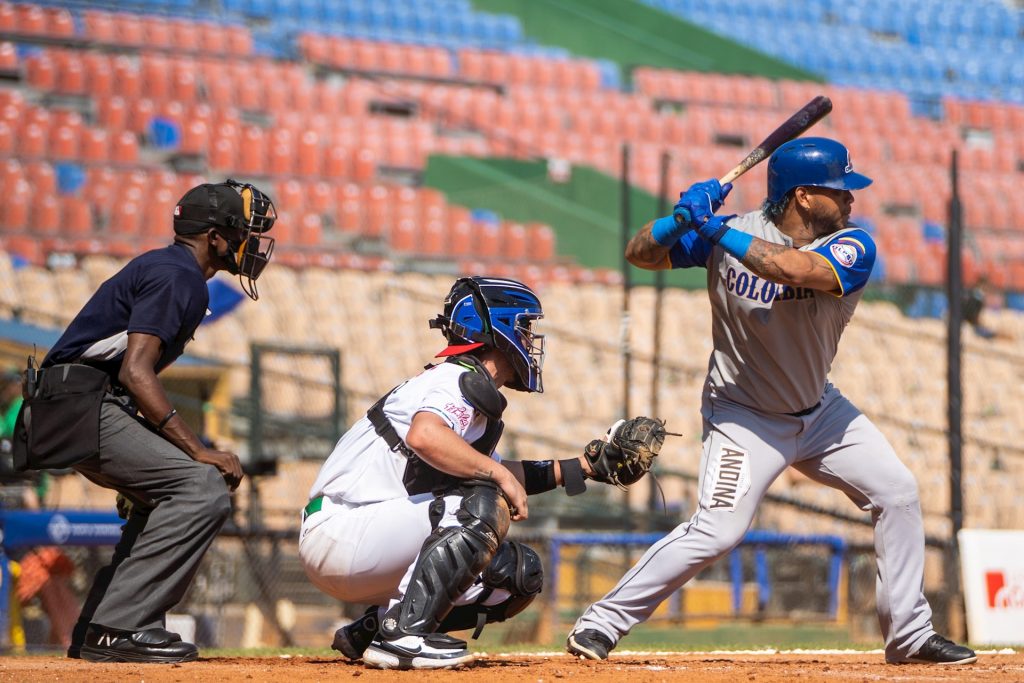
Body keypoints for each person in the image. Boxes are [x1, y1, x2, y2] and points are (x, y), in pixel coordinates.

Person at [565, 138, 977, 666]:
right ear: (804, 196)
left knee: (897, 493)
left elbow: (793, 270)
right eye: (840, 190)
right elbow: (639, 254)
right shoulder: (733, 232)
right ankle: (601, 623)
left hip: (819, 411)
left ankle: (909, 635)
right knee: (717, 530)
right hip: (744, 414)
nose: (852, 199)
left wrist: (712, 228)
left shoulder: (853, 245)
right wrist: (676, 221)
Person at [300, 276, 656, 670]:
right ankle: (404, 638)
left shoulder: (462, 389)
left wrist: (586, 467)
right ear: (496, 328)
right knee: (481, 502)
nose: (528, 339)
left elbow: (499, 469)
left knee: (517, 576)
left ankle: (374, 629)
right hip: (340, 530)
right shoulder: (452, 378)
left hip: (364, 540)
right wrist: (498, 479)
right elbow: (425, 436)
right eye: (524, 327)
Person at [17, 179, 276, 663]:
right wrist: (196, 448)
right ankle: (119, 628)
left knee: (166, 494)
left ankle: (102, 626)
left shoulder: (174, 270)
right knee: (201, 487)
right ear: (215, 238)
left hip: (76, 404)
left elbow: (124, 375)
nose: (252, 244)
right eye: (244, 232)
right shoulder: (178, 275)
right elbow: (136, 372)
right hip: (79, 405)